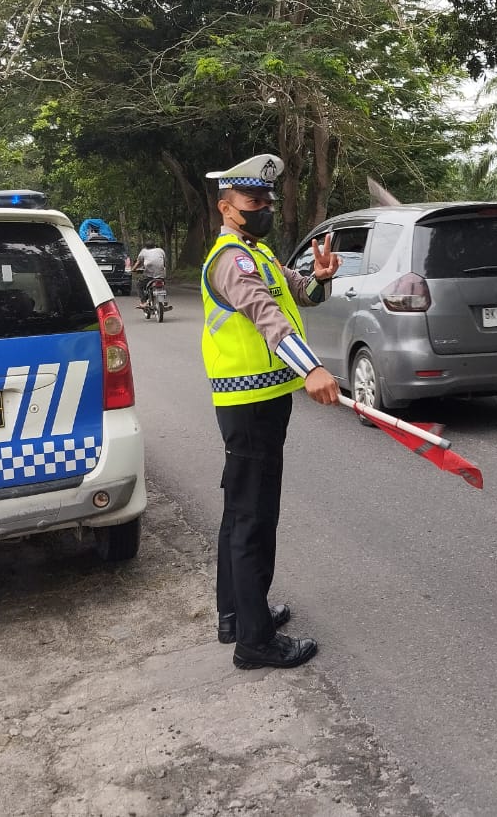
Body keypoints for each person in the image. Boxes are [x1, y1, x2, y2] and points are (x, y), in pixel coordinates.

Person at [200, 152, 342, 670]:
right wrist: (311, 370)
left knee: (241, 513)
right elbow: (267, 317)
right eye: (251, 200)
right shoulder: (231, 260)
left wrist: (320, 276)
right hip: (249, 404)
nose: (261, 208)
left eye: (265, 200)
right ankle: (255, 643)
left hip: (259, 401)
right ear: (226, 207)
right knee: (254, 519)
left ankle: (237, 614)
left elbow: (295, 294)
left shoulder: (255, 254)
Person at [135, 239, 167, 307]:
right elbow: (164, 262)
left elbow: (138, 262)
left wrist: (132, 269)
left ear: (145, 247)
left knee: (139, 285)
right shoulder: (160, 250)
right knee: (162, 285)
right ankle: (163, 299)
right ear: (155, 246)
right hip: (161, 276)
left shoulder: (143, 251)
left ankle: (143, 302)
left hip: (149, 277)